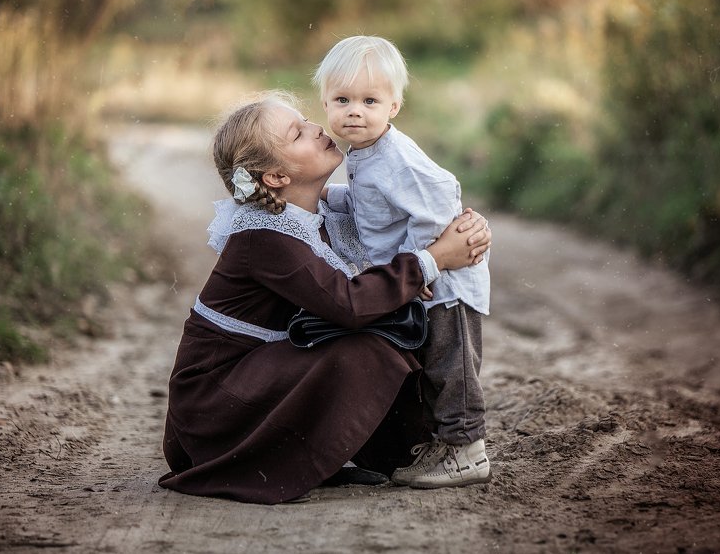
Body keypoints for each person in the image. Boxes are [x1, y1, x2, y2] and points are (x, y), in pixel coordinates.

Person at [158, 89, 491, 505]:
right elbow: (348, 304)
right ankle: (285, 456)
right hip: (216, 407)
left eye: (306, 121)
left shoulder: (320, 214)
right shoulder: (263, 235)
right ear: (277, 178)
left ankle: (408, 446)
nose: (316, 128)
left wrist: (459, 233)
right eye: (298, 133)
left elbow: (399, 215)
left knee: (400, 321)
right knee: (365, 345)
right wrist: (434, 259)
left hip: (259, 376)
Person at [314, 36, 491, 489]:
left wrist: (420, 262)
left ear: (394, 106)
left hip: (446, 284)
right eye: (343, 100)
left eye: (370, 100)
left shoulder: (397, 158)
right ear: (325, 103)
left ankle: (468, 449)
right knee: (430, 364)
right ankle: (443, 442)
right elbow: (370, 205)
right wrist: (323, 198)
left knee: (453, 366)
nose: (355, 111)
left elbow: (439, 200)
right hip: (421, 279)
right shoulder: (362, 155)